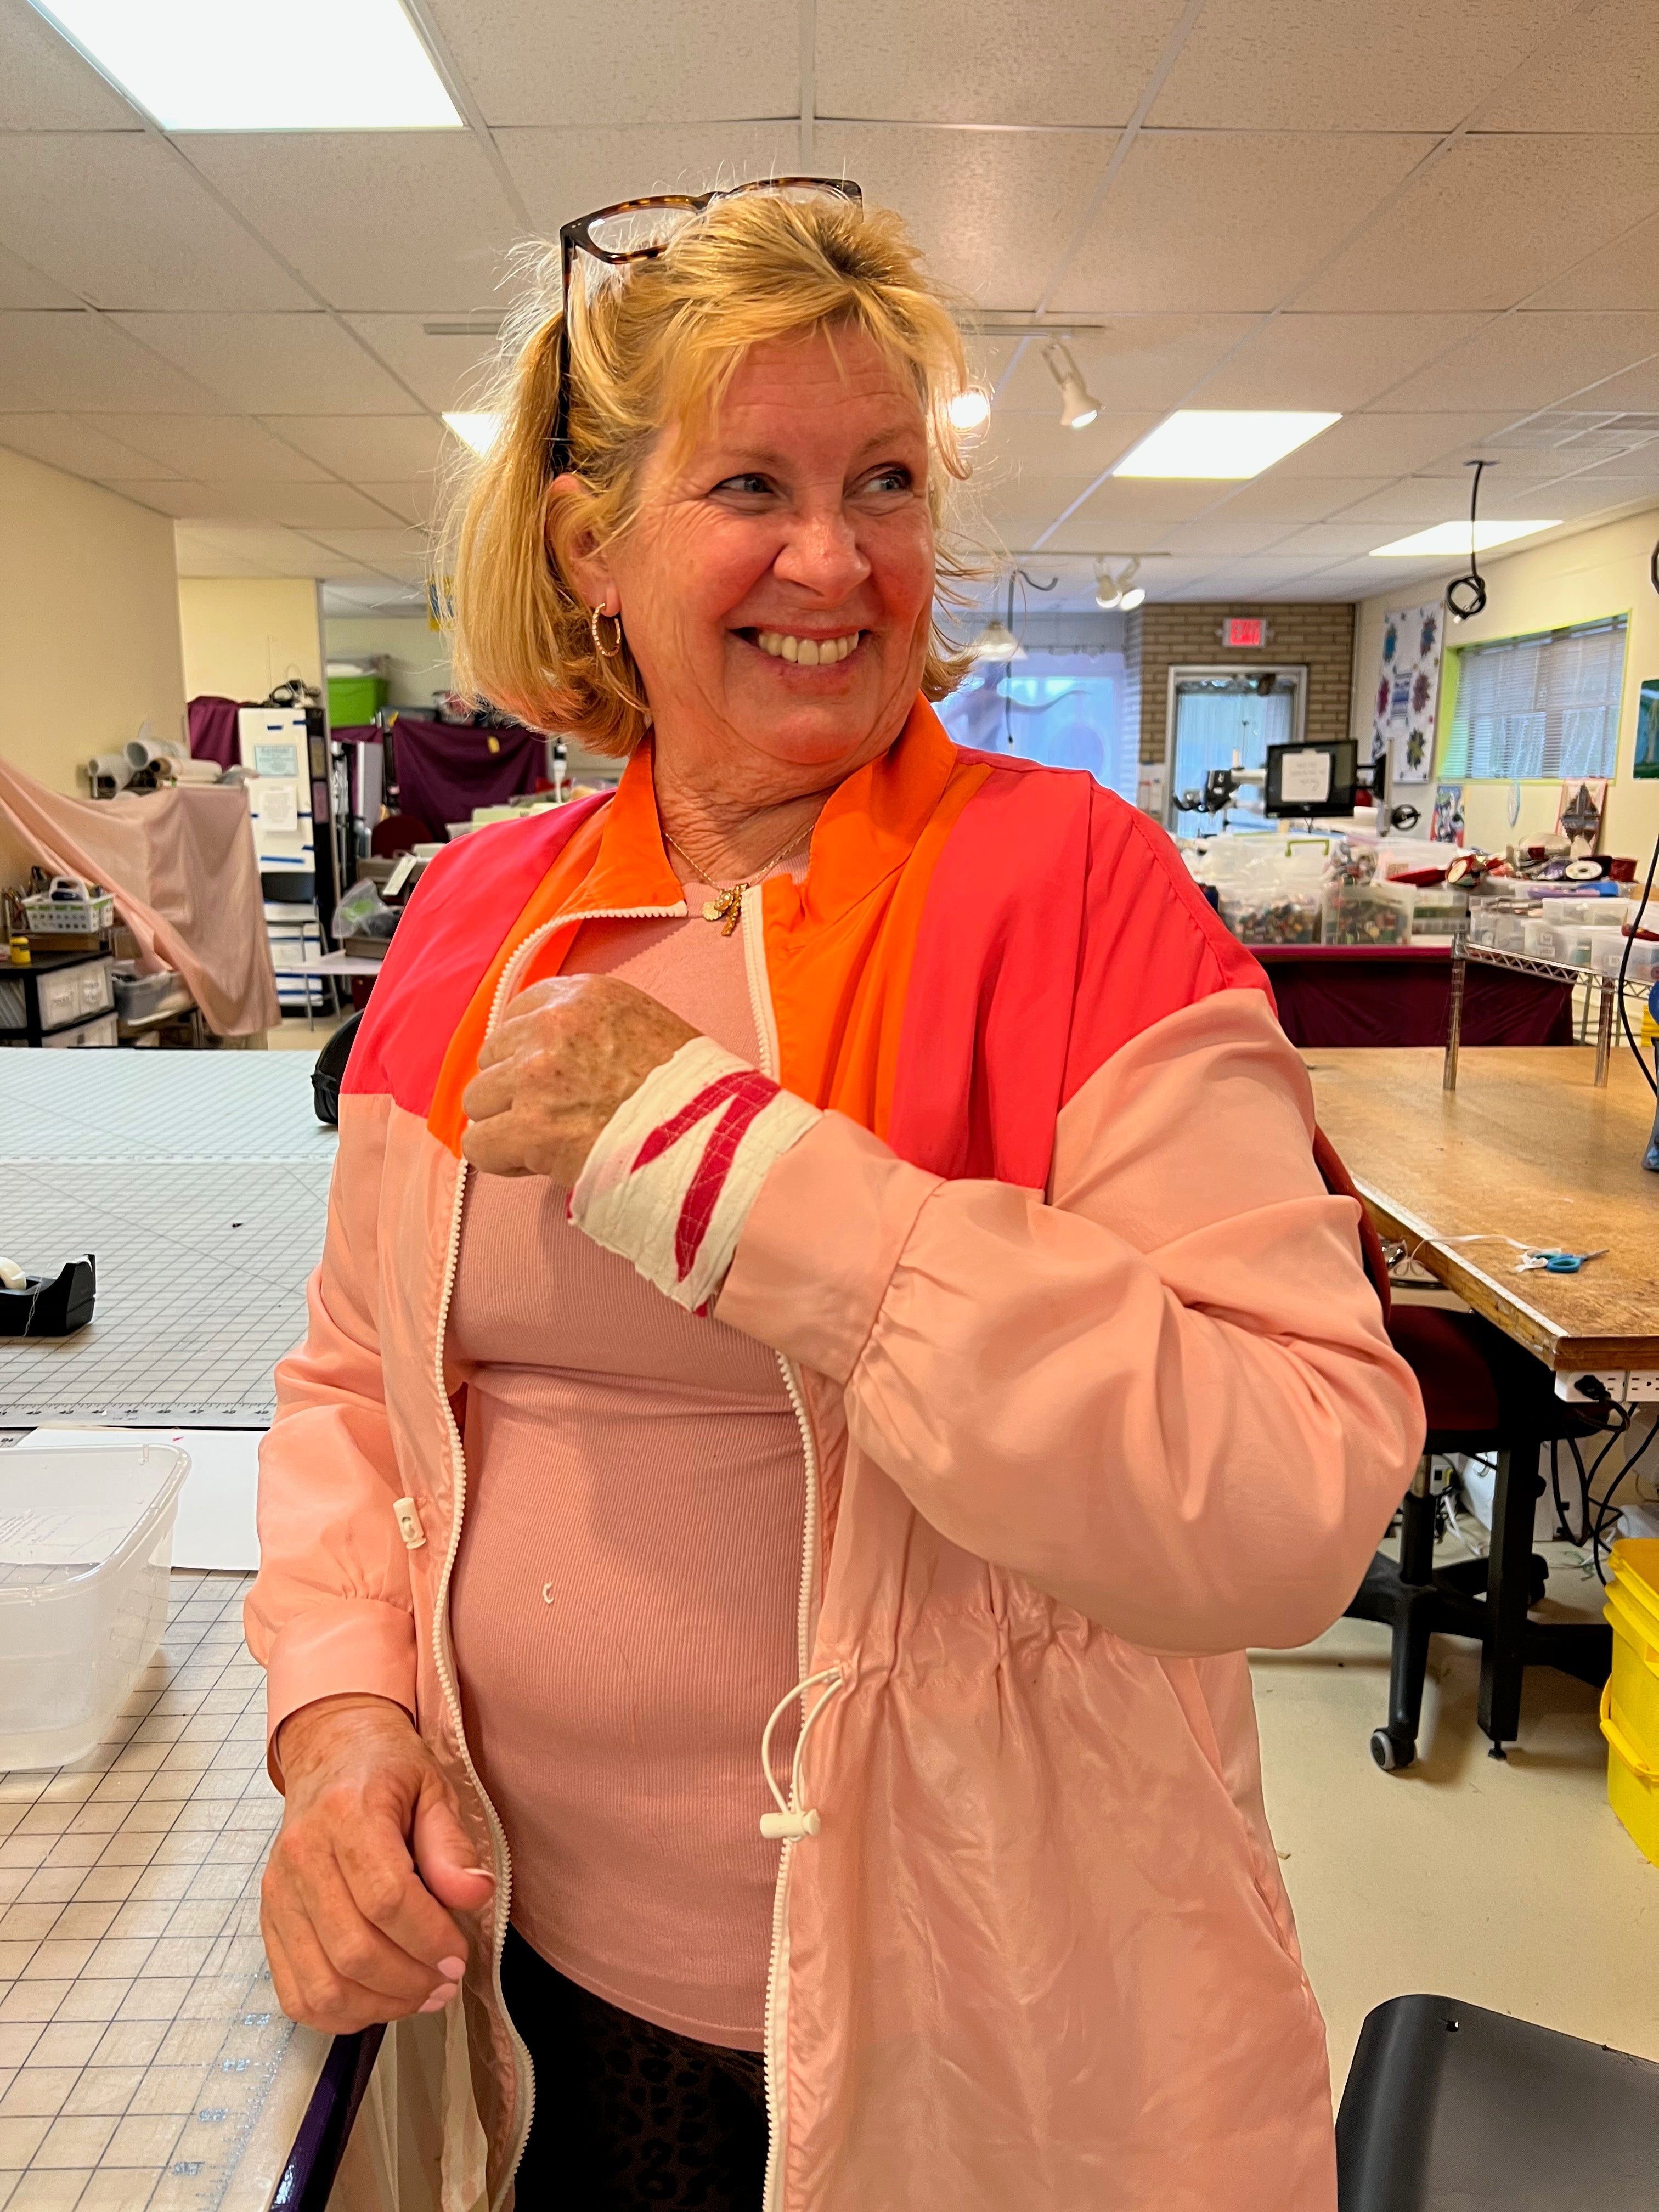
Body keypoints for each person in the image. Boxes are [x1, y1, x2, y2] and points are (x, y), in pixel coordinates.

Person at [248, 182, 1423, 2212]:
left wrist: (733, 1171)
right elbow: (360, 1391)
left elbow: (1293, 1488)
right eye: (751, 485)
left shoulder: (1075, 892)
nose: (835, 558)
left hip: (976, 2022)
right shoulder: (471, 915)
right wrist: (341, 1726)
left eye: (884, 480)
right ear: (586, 544)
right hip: (523, 1979)